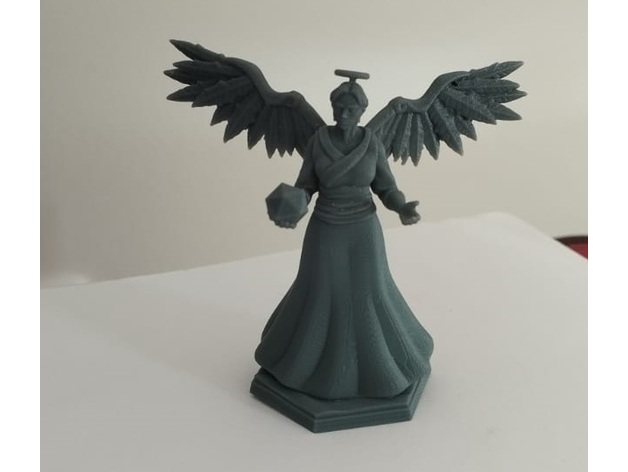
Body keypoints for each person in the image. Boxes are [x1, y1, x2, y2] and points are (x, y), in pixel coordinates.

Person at [254, 79, 433, 401]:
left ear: (362, 110)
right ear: (332, 107)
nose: (345, 113)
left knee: (369, 291)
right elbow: (306, 184)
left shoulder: (372, 144)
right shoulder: (318, 141)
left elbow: (386, 187)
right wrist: (292, 205)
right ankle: (308, 364)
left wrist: (402, 206)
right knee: (321, 290)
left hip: (363, 226)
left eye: (352, 108)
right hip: (325, 226)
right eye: (339, 107)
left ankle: (382, 365)